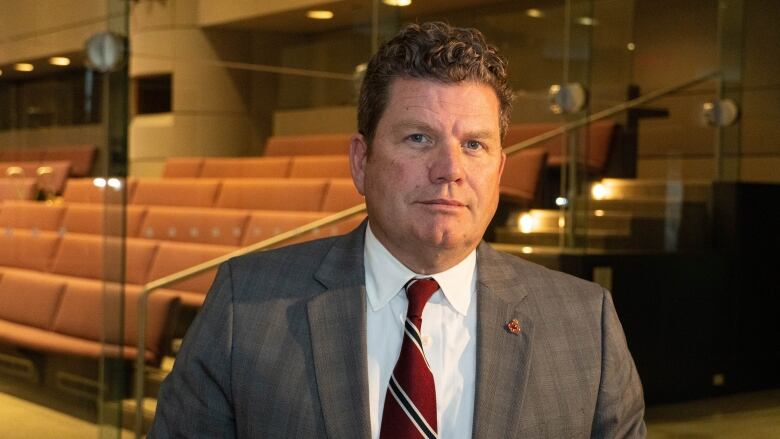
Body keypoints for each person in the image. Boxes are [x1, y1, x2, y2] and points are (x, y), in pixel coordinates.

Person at [149, 22, 646, 438]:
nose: (449, 168)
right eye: (418, 137)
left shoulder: (586, 324)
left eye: (474, 145)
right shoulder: (247, 306)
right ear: (361, 162)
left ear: (498, 171)